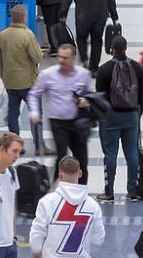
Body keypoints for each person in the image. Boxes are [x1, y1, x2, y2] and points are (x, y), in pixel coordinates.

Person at [29, 42, 95, 181]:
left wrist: (86, 101)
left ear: (74, 57)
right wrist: (35, 112)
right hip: (58, 122)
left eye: (65, 58)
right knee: (61, 156)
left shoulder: (84, 75)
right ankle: (57, 189)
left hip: (78, 121)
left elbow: (91, 95)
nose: (61, 60)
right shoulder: (48, 75)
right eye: (60, 57)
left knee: (81, 158)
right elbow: (34, 94)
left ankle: (81, 189)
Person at [95, 35, 143, 203]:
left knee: (110, 154)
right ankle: (133, 191)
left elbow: (99, 97)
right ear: (126, 47)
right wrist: (138, 114)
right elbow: (142, 94)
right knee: (132, 152)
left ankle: (109, 192)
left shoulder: (104, 70)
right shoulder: (137, 68)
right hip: (131, 115)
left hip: (110, 116)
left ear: (111, 48)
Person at [0, 5, 44, 152]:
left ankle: (14, 144)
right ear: (24, 17)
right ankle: (38, 142)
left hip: (10, 82)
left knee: (13, 113)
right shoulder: (27, 35)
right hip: (28, 82)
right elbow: (37, 57)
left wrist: (5, 77)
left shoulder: (3, 35)